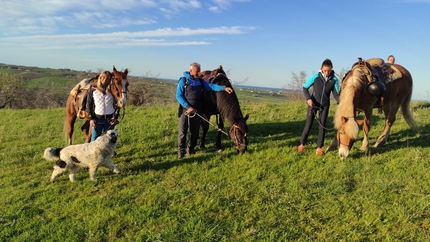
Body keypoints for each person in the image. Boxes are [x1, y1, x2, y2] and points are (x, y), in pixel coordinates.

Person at [176, 62, 234, 159]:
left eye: (199, 70)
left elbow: (211, 86)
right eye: (197, 70)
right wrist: (187, 106)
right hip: (185, 111)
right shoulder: (183, 81)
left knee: (194, 132)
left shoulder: (200, 81)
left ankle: (190, 150)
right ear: (191, 70)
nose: (199, 72)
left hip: (196, 110)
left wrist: (224, 88)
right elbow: (178, 96)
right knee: (183, 132)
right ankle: (180, 153)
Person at [298, 59, 340, 155]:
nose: (327, 72)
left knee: (322, 126)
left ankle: (319, 147)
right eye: (325, 70)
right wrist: (308, 99)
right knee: (309, 124)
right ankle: (302, 144)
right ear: (321, 69)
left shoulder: (334, 80)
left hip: (325, 105)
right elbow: (305, 88)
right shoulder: (315, 76)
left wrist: (341, 102)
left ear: (331, 69)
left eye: (329, 70)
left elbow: (336, 95)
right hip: (313, 104)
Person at [86, 70, 118, 142]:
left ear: (110, 80)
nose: (105, 80)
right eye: (103, 78)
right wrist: (91, 119)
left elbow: (117, 105)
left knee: (110, 140)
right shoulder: (93, 90)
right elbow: (89, 104)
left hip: (109, 120)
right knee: (95, 139)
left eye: (108, 78)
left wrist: (115, 117)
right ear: (100, 78)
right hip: (97, 119)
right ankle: (92, 153)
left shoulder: (112, 90)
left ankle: (108, 153)